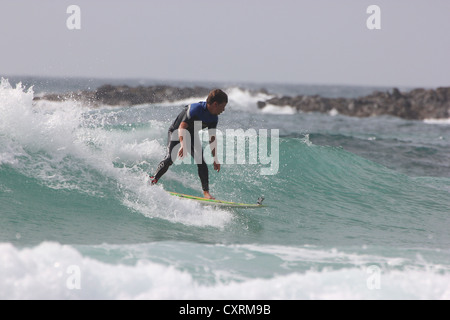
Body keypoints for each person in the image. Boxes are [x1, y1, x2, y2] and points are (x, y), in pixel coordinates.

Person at [149, 89, 228, 199]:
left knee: (201, 161)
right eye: (223, 106)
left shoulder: (214, 118)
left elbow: (212, 138)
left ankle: (206, 193)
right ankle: (153, 180)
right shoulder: (195, 109)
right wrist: (183, 145)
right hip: (176, 132)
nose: (223, 110)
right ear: (215, 104)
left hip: (191, 134)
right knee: (170, 158)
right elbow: (182, 127)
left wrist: (215, 158)